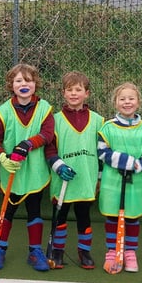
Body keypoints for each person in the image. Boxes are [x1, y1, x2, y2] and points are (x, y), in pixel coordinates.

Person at [0, 63, 55, 272]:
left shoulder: (45, 109)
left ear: (36, 84)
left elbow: (47, 135)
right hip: (11, 172)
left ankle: (35, 251)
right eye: (18, 81)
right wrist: (2, 156)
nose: (23, 84)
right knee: (7, 212)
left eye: (28, 80)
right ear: (11, 85)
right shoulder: (3, 111)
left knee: (34, 212)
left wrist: (28, 143)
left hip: (34, 172)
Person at [44, 71, 104, 269]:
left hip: (86, 179)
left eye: (78, 90)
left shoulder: (98, 120)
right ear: (63, 93)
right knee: (60, 218)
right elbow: (49, 148)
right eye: (69, 90)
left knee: (84, 218)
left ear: (87, 93)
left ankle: (84, 252)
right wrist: (58, 165)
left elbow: (103, 151)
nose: (73, 93)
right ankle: (58, 251)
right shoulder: (54, 119)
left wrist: (100, 178)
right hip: (62, 180)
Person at [97, 82, 142, 273]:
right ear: (115, 103)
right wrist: (127, 161)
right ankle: (112, 250)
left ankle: (130, 252)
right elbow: (102, 152)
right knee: (112, 217)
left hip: (137, 182)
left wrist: (138, 165)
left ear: (138, 102)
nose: (127, 102)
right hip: (112, 182)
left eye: (131, 98)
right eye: (122, 99)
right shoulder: (107, 128)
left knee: (132, 217)